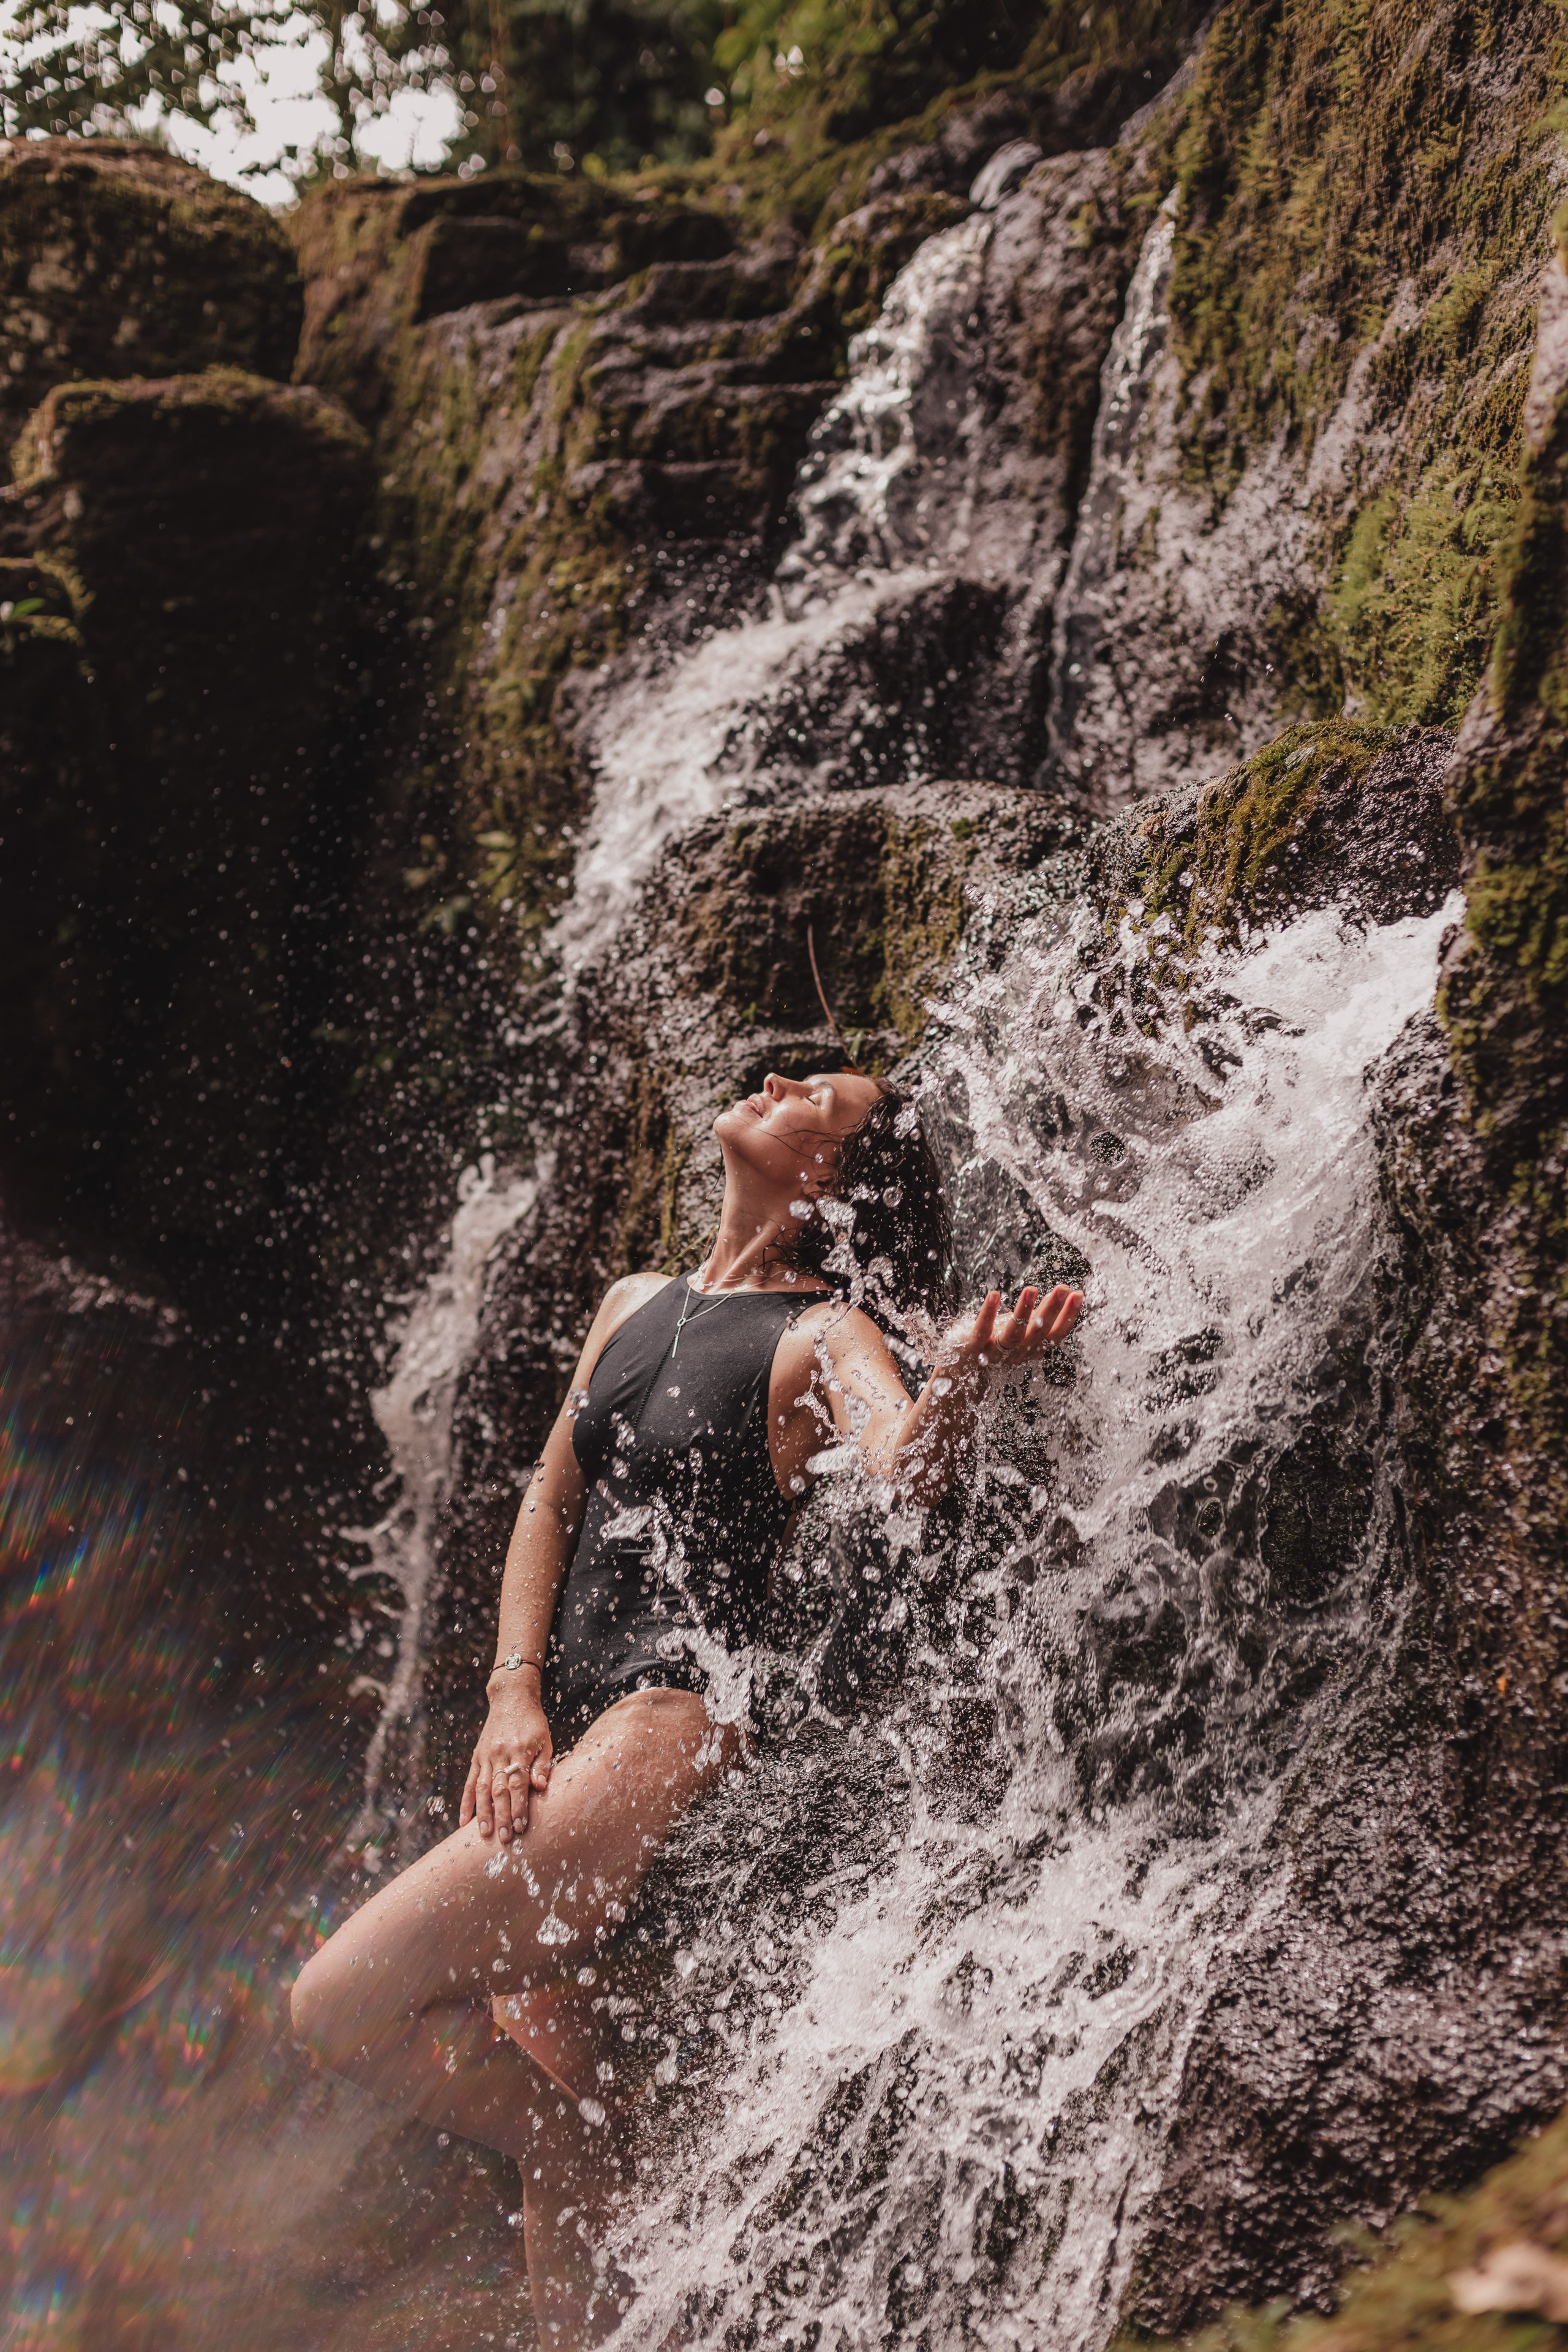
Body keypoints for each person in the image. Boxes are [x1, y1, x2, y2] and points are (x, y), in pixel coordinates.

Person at [290, 1068, 1082, 2342]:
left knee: (335, 2005)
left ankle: (577, 2132)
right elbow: (550, 1504)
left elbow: (902, 1469)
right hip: (555, 1722)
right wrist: (510, 1701)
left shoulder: (821, 1336)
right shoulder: (629, 1302)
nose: (777, 1081)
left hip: (665, 1723)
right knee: (572, 2173)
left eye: (814, 1096)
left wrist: (965, 1380)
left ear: (825, 1175)